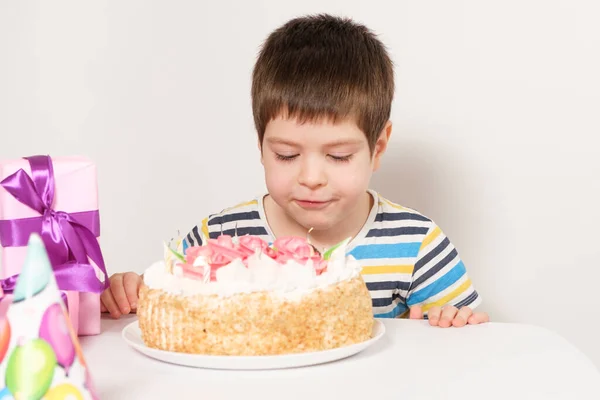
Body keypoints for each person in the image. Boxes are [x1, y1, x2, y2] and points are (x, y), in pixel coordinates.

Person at [101, 14, 489, 328]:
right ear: (261, 145)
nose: (311, 177)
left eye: (338, 156)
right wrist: (130, 292)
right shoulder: (218, 240)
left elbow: (475, 340)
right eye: (286, 154)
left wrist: (454, 323)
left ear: (377, 149)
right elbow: (165, 301)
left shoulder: (416, 244)